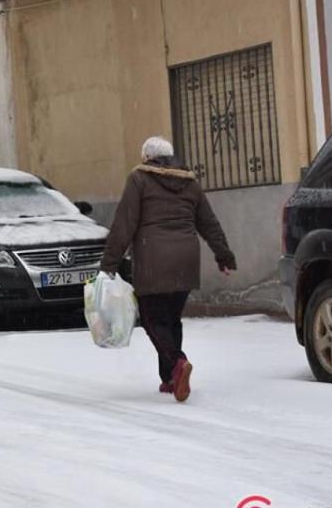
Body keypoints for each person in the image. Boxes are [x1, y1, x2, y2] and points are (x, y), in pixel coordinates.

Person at [100, 137, 236, 403]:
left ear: (147, 157)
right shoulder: (189, 182)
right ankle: (170, 378)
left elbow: (124, 224)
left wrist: (109, 264)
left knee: (152, 320)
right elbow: (209, 223)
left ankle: (177, 363)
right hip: (186, 259)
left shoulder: (139, 179)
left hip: (154, 260)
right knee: (171, 318)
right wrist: (224, 255)